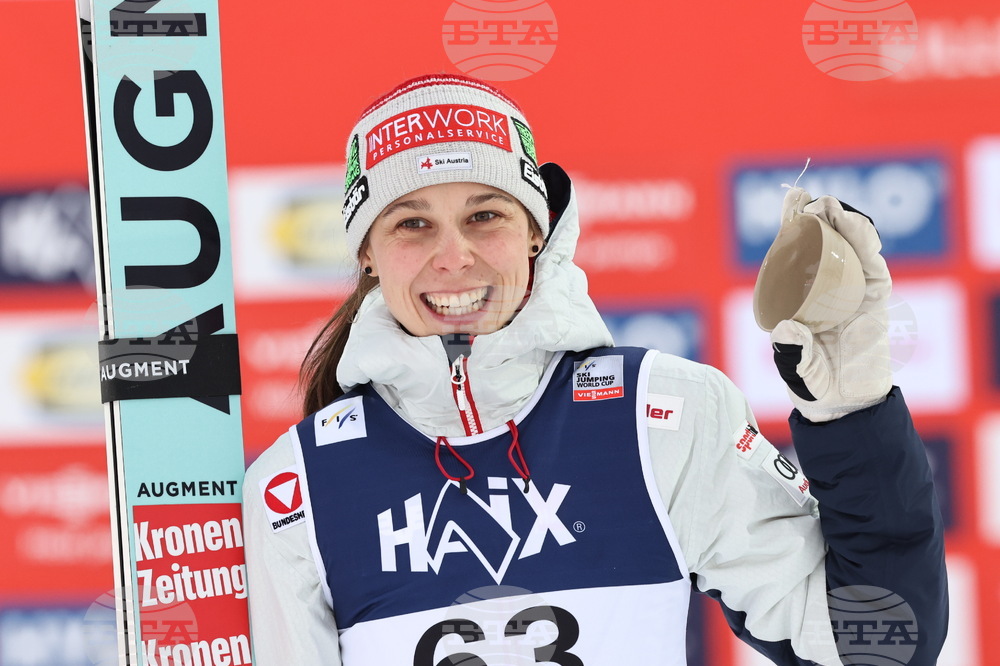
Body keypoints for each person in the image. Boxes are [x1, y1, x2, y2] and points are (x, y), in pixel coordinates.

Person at [242, 73, 947, 665]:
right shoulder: (296, 486)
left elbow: (876, 647)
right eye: (412, 223)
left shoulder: (662, 414)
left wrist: (854, 417)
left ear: (536, 230)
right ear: (367, 252)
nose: (453, 257)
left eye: (485, 215)